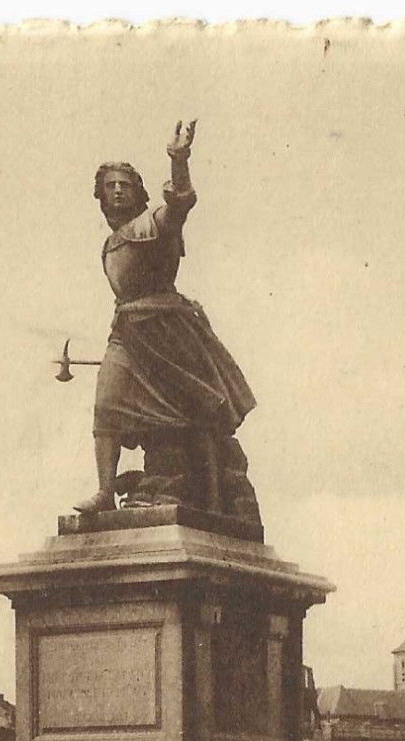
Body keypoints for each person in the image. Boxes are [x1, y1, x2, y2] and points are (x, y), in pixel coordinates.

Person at [75, 120, 257, 514]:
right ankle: (106, 492)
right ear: (100, 197)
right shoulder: (110, 243)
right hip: (127, 331)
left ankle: (183, 487)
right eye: (110, 186)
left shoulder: (152, 224)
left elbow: (180, 204)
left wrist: (179, 158)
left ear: (138, 193)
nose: (118, 190)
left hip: (167, 333)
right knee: (106, 402)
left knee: (185, 422)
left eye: (125, 184)